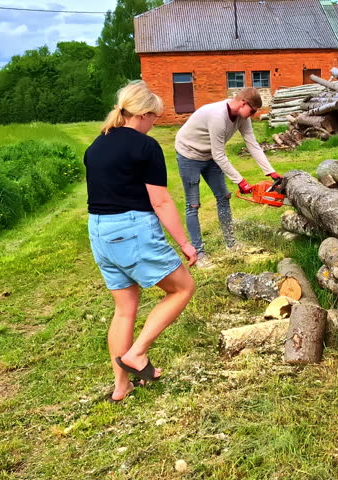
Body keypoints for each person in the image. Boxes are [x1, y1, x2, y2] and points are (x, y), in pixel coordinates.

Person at [84, 80, 197, 402]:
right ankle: (137, 353)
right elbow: (160, 202)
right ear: (144, 114)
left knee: (124, 310)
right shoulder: (145, 147)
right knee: (182, 288)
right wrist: (185, 244)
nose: (154, 124)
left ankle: (122, 386)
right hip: (131, 229)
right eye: (155, 118)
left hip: (99, 232)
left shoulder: (96, 144)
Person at [174, 87, 281, 268]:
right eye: (253, 110)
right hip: (189, 155)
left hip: (209, 155)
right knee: (193, 204)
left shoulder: (241, 117)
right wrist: (240, 180)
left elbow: (252, 143)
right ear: (243, 103)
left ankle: (231, 244)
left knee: (224, 197)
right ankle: (199, 253)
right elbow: (219, 155)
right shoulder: (218, 116)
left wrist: (270, 171)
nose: (254, 115)